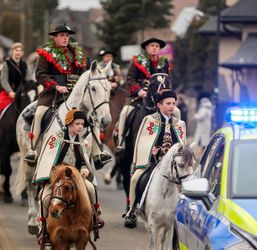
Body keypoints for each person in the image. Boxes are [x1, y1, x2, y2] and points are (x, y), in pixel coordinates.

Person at [24, 24, 111, 168]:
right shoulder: (46, 53)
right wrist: (56, 85)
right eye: (62, 35)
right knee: (39, 113)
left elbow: (86, 72)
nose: (65, 38)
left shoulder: (77, 53)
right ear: (55, 37)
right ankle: (33, 150)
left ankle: (97, 153)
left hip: (75, 93)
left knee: (92, 114)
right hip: (53, 94)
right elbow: (40, 75)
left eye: (67, 35)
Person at [33, 108, 104, 246]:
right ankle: (43, 227)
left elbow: (84, 161)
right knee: (45, 196)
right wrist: (54, 175)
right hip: (56, 177)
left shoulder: (82, 142)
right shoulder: (57, 138)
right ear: (69, 124)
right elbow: (49, 159)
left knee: (91, 188)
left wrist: (84, 170)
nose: (80, 127)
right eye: (77, 124)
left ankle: (95, 217)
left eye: (82, 124)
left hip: (76, 178)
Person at [124, 89, 186, 228]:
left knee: (186, 181)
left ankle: (184, 213)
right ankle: (132, 211)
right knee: (135, 179)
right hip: (153, 161)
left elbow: (182, 145)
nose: (171, 106)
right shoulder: (150, 120)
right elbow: (144, 142)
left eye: (173, 103)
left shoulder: (179, 124)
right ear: (159, 104)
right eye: (168, 103)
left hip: (173, 164)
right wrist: (152, 151)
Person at [115, 37, 171, 155]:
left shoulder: (164, 62)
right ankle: (121, 143)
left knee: (176, 112)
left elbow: (168, 80)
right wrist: (140, 90)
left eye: (157, 46)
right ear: (146, 48)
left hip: (160, 99)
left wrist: (167, 95)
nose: (155, 48)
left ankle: (175, 140)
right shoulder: (137, 61)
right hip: (139, 98)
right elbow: (130, 78)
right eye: (152, 45)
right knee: (125, 112)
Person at [0, 42, 30, 115]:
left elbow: (28, 80)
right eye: (16, 50)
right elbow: (4, 81)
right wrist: (10, 92)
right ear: (12, 51)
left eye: (20, 51)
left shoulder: (25, 64)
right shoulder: (6, 64)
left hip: (21, 93)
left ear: (22, 53)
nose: (18, 52)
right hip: (9, 93)